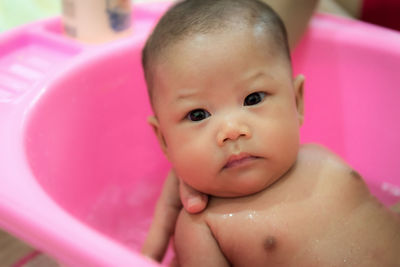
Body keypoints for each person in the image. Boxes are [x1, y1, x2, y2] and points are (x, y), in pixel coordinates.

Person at [141, 0, 400, 265]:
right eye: (198, 115)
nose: (231, 131)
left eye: (253, 99)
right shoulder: (203, 227)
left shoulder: (320, 157)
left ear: (296, 101)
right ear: (164, 139)